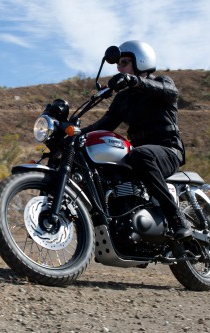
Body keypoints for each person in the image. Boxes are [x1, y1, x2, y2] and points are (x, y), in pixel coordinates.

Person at [81, 40, 192, 240]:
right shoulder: (123, 99)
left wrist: (135, 82)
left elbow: (170, 92)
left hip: (167, 150)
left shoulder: (162, 83)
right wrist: (74, 134)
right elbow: (102, 125)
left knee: (140, 155)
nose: (120, 68)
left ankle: (176, 218)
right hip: (139, 156)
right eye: (118, 65)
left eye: (124, 63)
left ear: (141, 61)